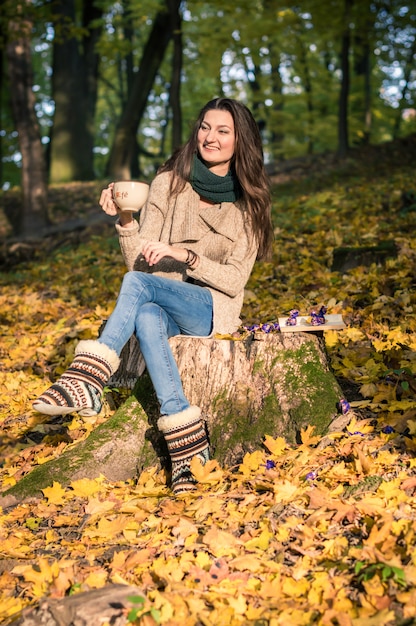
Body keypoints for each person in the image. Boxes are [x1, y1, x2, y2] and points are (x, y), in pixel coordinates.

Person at [33, 97, 274, 494]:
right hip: (163, 295)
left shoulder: (249, 203)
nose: (209, 137)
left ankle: (89, 376)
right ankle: (188, 447)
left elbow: (234, 280)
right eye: (205, 127)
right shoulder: (168, 183)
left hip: (213, 308)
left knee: (143, 293)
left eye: (222, 131)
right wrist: (127, 220)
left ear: (240, 141)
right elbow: (139, 269)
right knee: (144, 311)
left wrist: (187, 256)